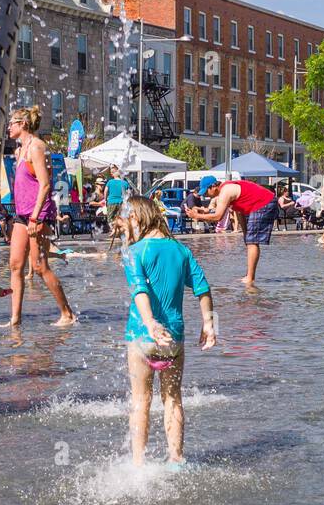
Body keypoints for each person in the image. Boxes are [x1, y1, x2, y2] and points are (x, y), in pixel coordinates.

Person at [121, 196, 217, 469]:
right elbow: (202, 287)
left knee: (141, 400)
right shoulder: (181, 250)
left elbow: (139, 289)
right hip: (173, 339)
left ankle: (138, 465)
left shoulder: (134, 251)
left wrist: (150, 322)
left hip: (142, 336)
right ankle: (176, 459)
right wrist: (208, 323)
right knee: (173, 398)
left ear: (137, 219)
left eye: (128, 220)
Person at [5, 106, 77, 327]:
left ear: (23, 124)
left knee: (39, 266)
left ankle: (67, 313)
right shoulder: (19, 151)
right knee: (15, 265)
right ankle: (15, 319)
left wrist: (36, 218)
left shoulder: (37, 147)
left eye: (12, 123)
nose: (8, 127)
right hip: (22, 213)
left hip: (39, 215)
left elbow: (45, 185)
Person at [186, 174, 278, 286]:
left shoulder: (225, 191)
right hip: (265, 200)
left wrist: (196, 216)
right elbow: (240, 212)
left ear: (213, 187)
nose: (206, 196)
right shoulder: (227, 189)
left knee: (253, 242)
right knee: (250, 241)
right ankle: (249, 276)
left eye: (206, 192)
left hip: (264, 202)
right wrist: (245, 233)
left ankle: (250, 278)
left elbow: (217, 216)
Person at [103, 167, 129, 252]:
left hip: (112, 202)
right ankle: (120, 233)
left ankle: (113, 229)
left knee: (110, 218)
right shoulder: (124, 183)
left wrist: (105, 199)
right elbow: (128, 193)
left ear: (113, 174)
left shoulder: (110, 182)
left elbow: (105, 191)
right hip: (121, 202)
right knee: (121, 219)